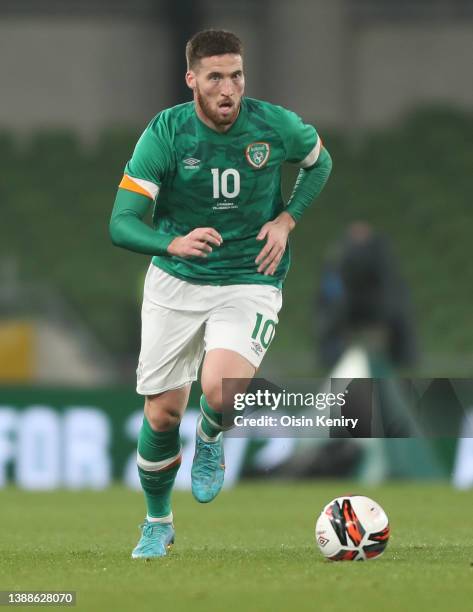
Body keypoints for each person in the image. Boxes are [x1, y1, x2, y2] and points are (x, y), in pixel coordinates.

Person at [109, 29, 332, 559]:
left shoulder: (274, 124)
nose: (228, 87)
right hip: (176, 280)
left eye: (236, 75)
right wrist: (172, 242)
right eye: (215, 77)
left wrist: (286, 219)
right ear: (192, 80)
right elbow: (120, 223)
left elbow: (319, 161)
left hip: (249, 276)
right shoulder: (165, 134)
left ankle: (210, 435)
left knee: (221, 388)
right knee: (162, 414)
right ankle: (157, 522)